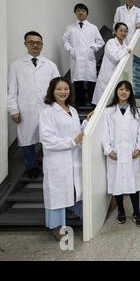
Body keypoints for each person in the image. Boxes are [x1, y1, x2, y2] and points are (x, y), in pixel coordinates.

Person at [7, 31, 60, 179]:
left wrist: (58, 108)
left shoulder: (50, 65)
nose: (35, 45)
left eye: (38, 43)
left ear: (42, 45)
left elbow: (59, 87)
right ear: (26, 44)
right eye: (31, 42)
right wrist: (13, 109)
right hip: (25, 109)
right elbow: (12, 90)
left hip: (47, 108)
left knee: (48, 137)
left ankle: (50, 165)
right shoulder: (16, 65)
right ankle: (31, 167)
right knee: (26, 139)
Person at [39, 77, 84, 241]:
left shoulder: (72, 110)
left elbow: (78, 132)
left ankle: (72, 213)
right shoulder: (47, 112)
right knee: (57, 193)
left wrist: (87, 121)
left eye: (66, 89)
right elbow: (47, 140)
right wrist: (72, 142)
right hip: (57, 160)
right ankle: (56, 226)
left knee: (72, 189)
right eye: (59, 89)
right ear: (52, 91)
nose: (63, 92)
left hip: (73, 158)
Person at [102, 81, 140, 227]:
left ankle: (137, 212)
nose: (124, 92)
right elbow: (105, 132)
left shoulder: (136, 111)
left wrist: (139, 148)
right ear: (116, 91)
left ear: (130, 93)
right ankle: (121, 211)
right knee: (117, 184)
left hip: (131, 154)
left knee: (133, 184)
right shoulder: (109, 111)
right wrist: (109, 151)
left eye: (127, 90)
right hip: (115, 154)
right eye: (121, 89)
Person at [63, 3, 105, 107]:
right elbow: (65, 41)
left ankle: (92, 102)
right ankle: (79, 102)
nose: (80, 12)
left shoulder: (93, 27)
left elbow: (100, 41)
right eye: (78, 10)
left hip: (88, 57)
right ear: (75, 13)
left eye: (83, 10)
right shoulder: (70, 28)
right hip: (76, 57)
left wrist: (93, 48)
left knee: (91, 80)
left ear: (87, 13)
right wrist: (71, 50)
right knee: (78, 81)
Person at [92, 22, 132, 105]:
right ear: (115, 31)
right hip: (107, 76)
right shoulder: (111, 43)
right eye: (121, 30)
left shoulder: (125, 46)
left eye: (125, 31)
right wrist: (126, 51)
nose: (123, 33)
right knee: (102, 104)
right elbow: (115, 57)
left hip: (117, 77)